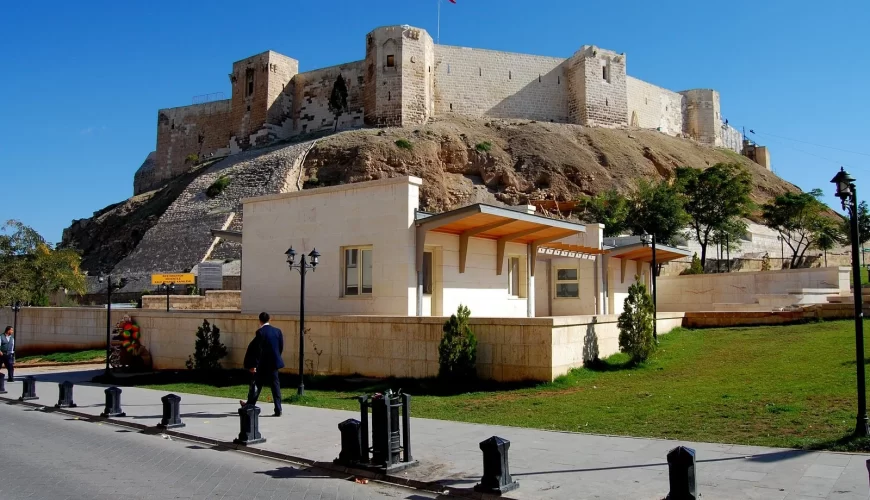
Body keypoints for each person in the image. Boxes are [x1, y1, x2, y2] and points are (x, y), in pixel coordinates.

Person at [240, 312, 284, 416]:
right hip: (273, 364)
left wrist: (254, 365)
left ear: (259, 320)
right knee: (275, 386)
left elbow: (257, 350)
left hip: (263, 364)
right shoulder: (277, 331)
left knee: (257, 385)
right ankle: (278, 409)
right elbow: (280, 347)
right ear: (270, 319)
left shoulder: (260, 332)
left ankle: (250, 406)